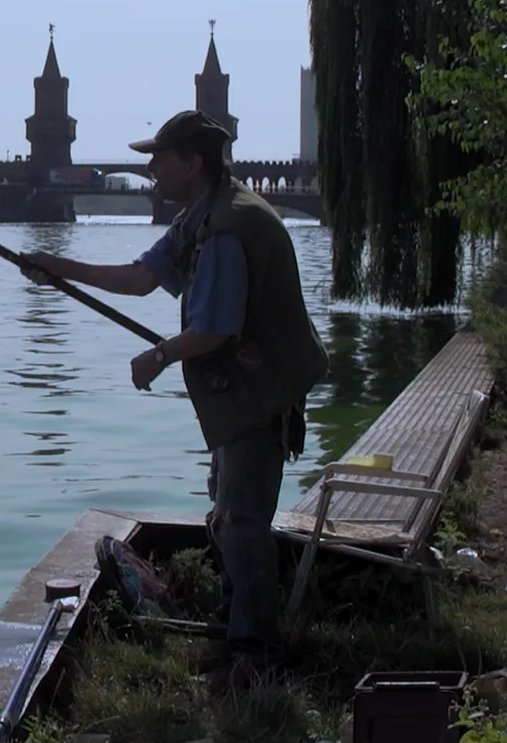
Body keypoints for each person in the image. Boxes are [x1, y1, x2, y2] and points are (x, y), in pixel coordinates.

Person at [19, 109, 328, 676]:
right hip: (239, 394)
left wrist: (159, 356)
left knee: (242, 523)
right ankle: (236, 628)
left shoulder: (229, 228)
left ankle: (255, 655)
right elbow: (140, 279)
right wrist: (55, 268)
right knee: (228, 516)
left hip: (260, 395)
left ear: (192, 162)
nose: (151, 169)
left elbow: (216, 329)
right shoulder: (202, 216)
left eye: (159, 159)